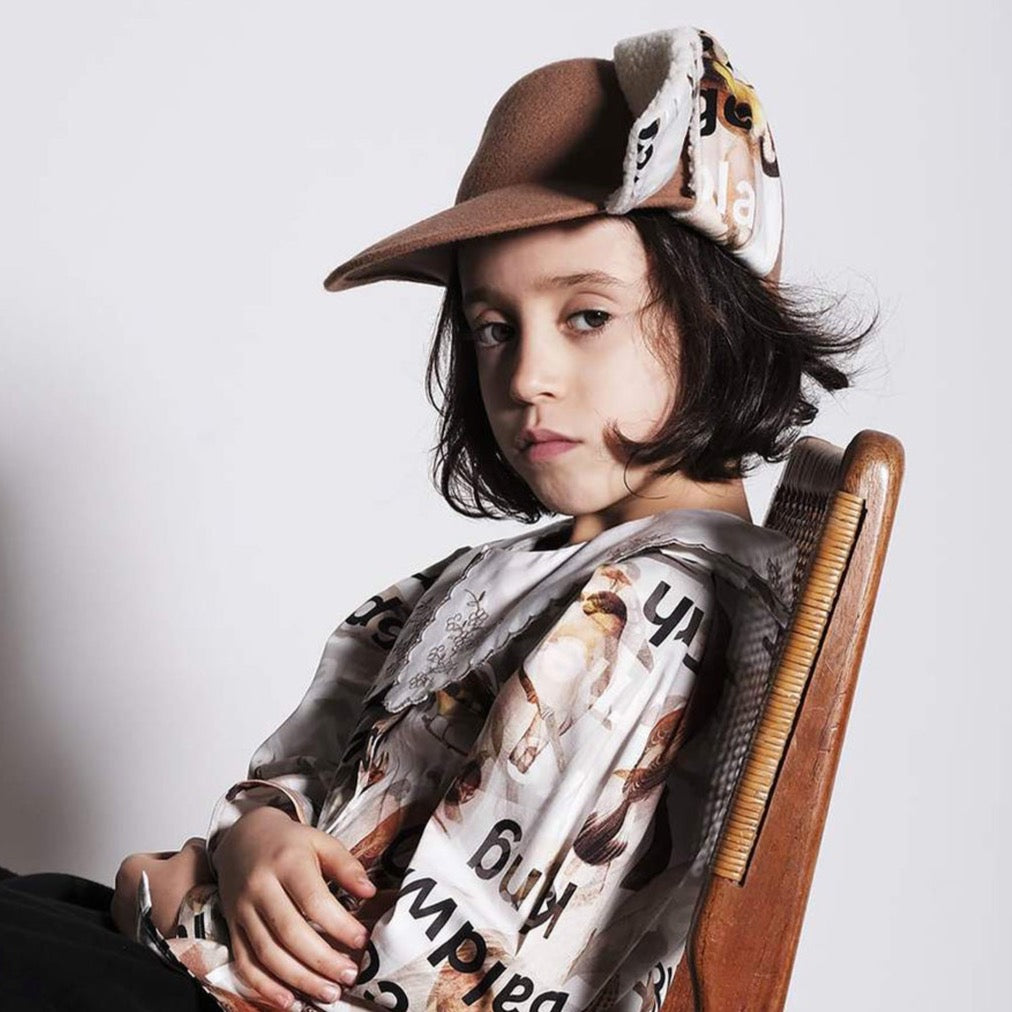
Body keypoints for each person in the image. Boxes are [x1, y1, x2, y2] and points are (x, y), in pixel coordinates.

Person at [0, 25, 874, 1012]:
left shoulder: (651, 606)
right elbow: (303, 765)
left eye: (586, 315)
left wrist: (157, 896)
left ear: (716, 317)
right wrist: (256, 838)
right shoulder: (522, 569)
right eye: (493, 327)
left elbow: (435, 975)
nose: (527, 376)